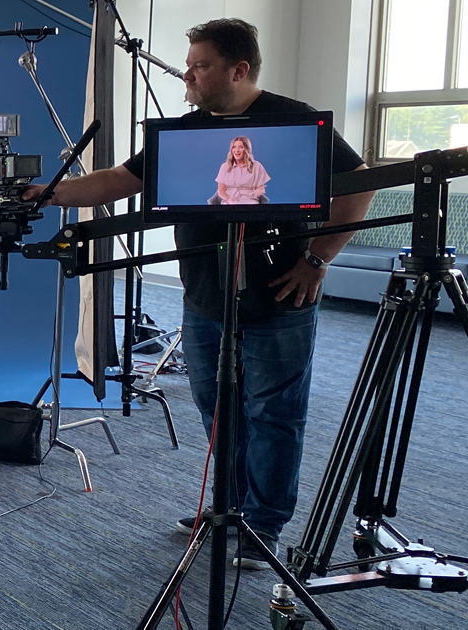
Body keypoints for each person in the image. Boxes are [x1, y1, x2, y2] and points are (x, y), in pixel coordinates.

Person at [23, 18, 375, 570]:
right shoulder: (186, 129)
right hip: (205, 300)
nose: (186, 73)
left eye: (199, 64)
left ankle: (262, 527)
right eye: (189, 63)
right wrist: (53, 193)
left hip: (279, 301)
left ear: (238, 70)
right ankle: (228, 508)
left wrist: (317, 259)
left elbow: (362, 182)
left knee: (274, 413)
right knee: (217, 409)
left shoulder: (295, 121)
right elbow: (123, 178)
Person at [210, 136, 269, 204]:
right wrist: (228, 199)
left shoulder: (256, 166)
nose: (237, 150)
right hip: (229, 202)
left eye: (241, 147)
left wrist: (257, 192)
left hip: (250, 201)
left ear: (247, 149)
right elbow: (221, 191)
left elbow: (261, 188)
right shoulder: (225, 167)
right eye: (234, 147)